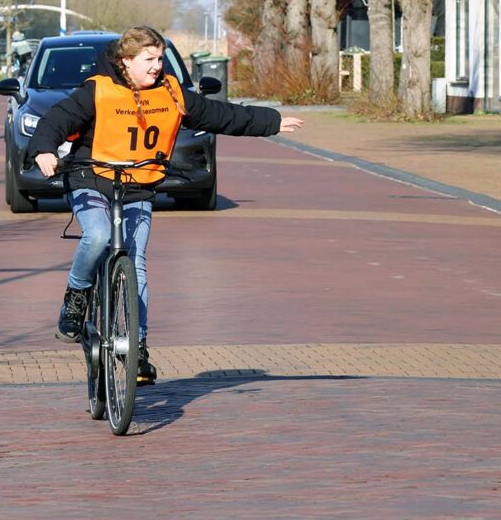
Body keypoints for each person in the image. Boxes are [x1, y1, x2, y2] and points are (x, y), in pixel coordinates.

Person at [26, 26, 303, 385]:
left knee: (135, 264)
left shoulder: (172, 94)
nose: (157, 66)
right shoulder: (96, 90)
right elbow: (56, 120)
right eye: (149, 59)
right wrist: (44, 149)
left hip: (137, 184)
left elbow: (220, 115)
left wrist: (273, 121)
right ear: (126, 61)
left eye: (161, 59)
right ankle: (76, 298)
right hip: (91, 180)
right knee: (96, 236)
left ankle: (137, 349)